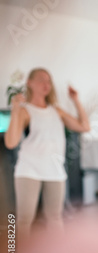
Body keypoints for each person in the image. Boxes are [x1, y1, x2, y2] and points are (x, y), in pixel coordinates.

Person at [4, 68, 90, 239]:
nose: (47, 84)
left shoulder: (56, 110)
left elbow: (84, 127)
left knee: (55, 218)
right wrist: (15, 109)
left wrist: (76, 100)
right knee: (23, 220)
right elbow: (11, 142)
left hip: (54, 170)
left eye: (49, 81)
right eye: (42, 80)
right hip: (29, 169)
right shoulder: (24, 110)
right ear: (30, 83)